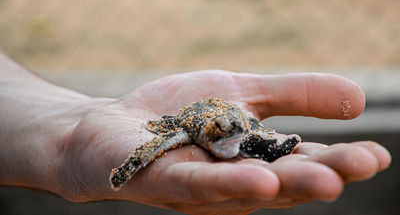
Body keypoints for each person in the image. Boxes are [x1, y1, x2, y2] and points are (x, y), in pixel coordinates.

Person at [0, 52, 391, 215]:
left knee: (271, 143)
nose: (231, 134)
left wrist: (279, 142)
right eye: (224, 131)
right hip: (192, 118)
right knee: (172, 136)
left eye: (234, 129)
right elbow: (166, 136)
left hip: (227, 118)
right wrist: (126, 163)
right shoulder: (191, 128)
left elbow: (251, 131)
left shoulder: (242, 128)